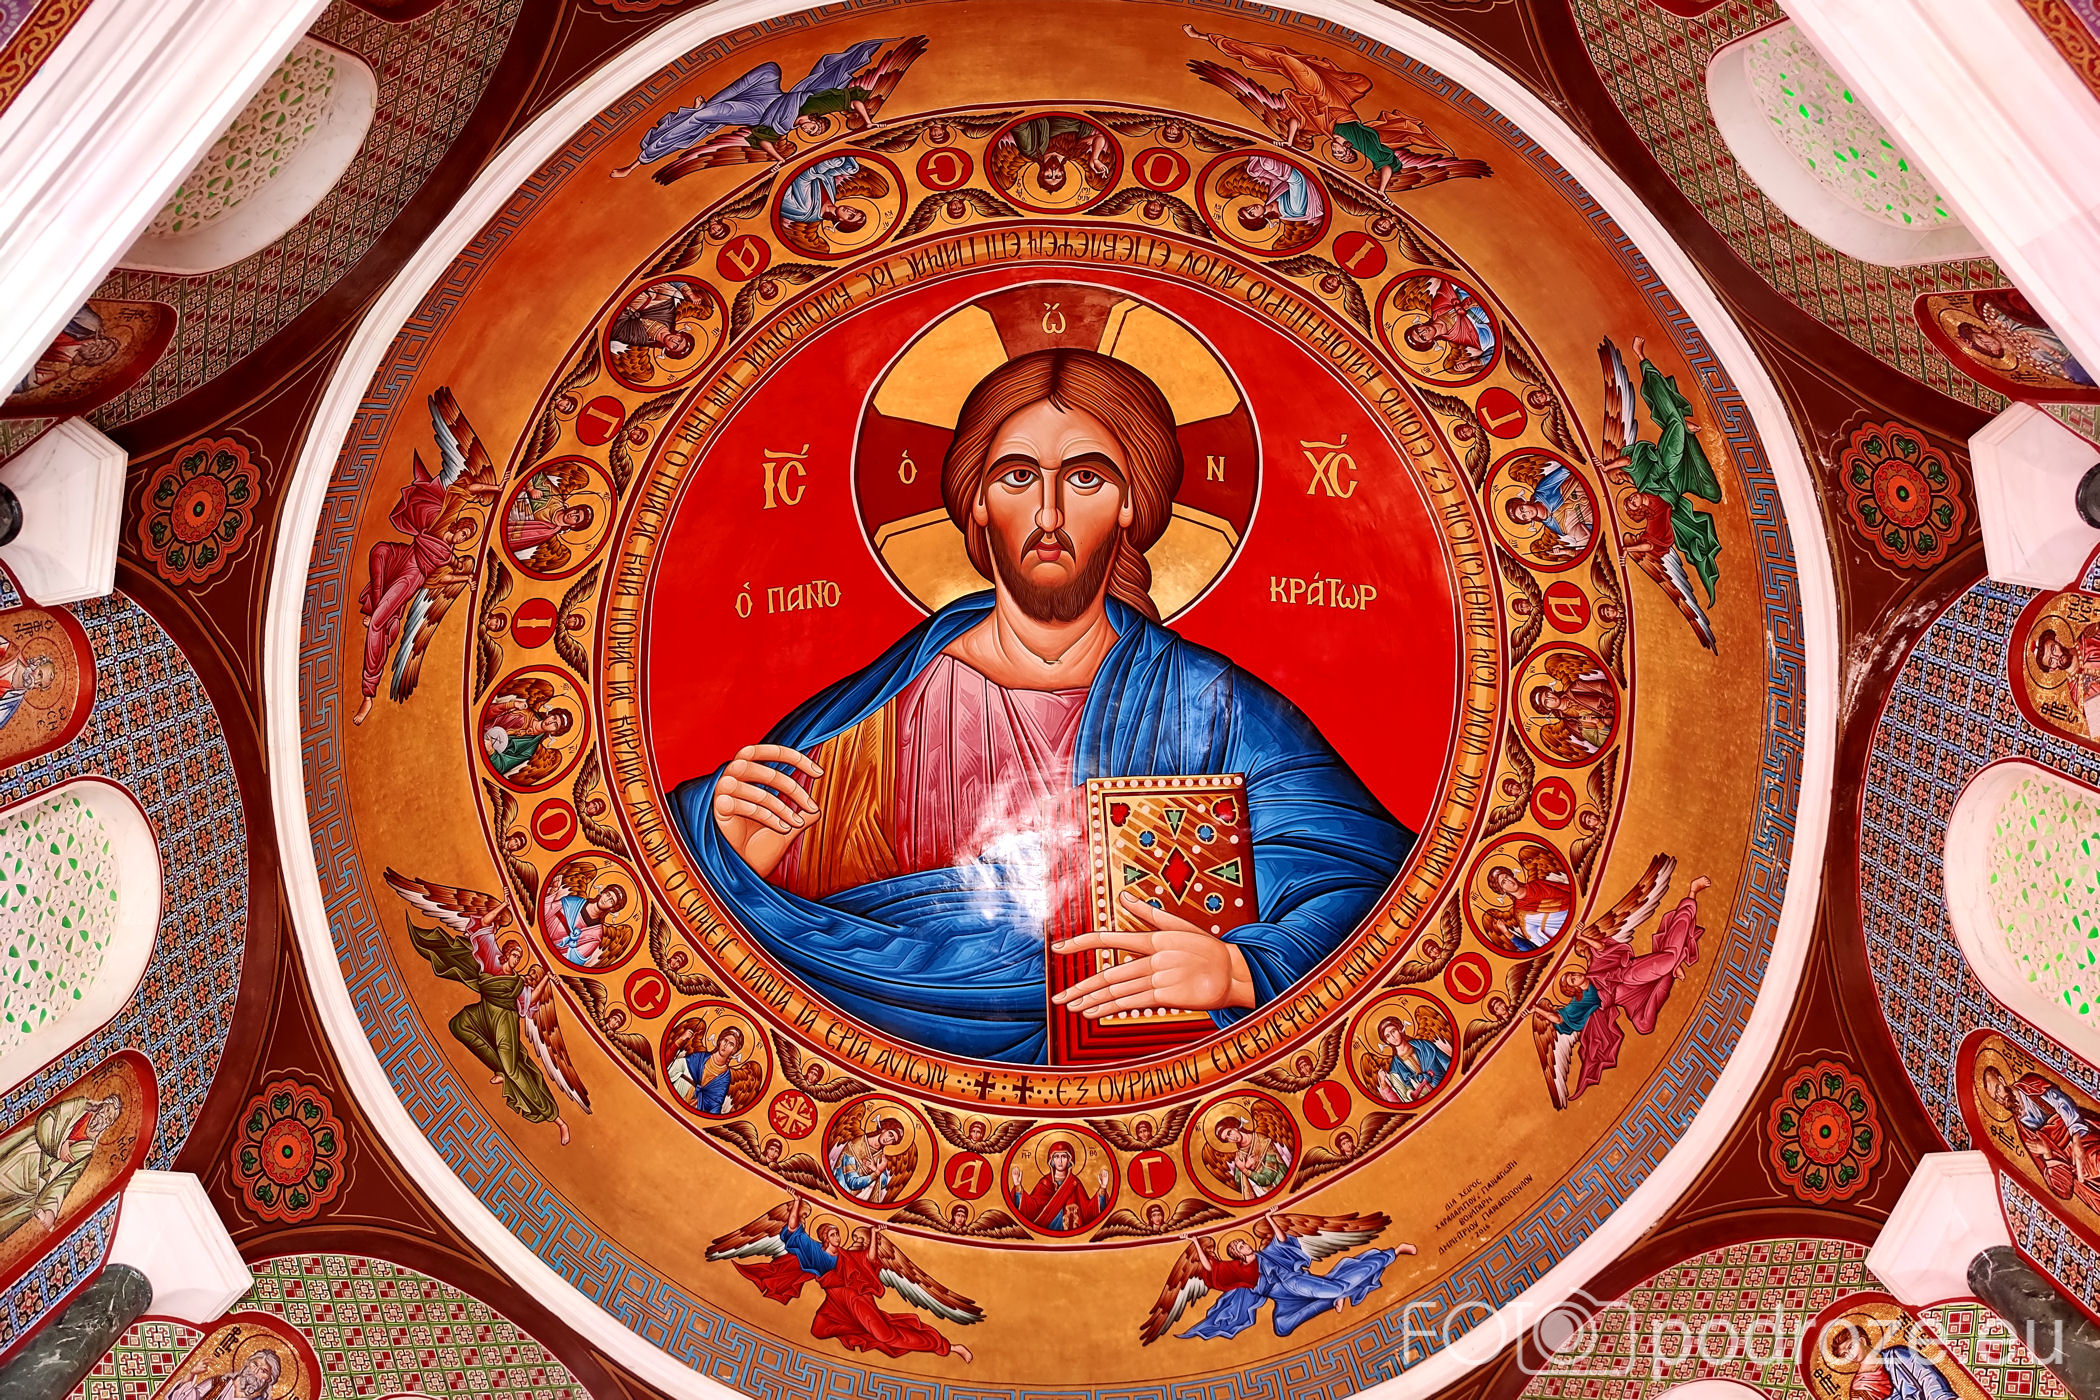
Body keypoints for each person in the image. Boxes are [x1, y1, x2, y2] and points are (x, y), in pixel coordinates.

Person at [673, 349, 1412, 1064]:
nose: (1049, 513)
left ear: (1130, 503)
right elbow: (730, 887)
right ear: (978, 502)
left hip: (1142, 1082)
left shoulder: (1210, 704)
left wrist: (1239, 971)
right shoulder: (875, 717)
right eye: (1018, 476)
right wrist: (723, 850)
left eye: (1086, 477)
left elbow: (1366, 877)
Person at [612, 40, 896, 176]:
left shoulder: (780, 127)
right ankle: (709, 104)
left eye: (812, 132)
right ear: (817, 120)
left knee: (703, 117)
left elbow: (764, 141)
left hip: (757, 111)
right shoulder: (820, 103)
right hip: (772, 93)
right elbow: (855, 99)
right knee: (770, 68)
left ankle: (642, 159)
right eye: (817, 127)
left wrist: (779, 159)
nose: (812, 129)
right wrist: (868, 122)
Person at [1544, 876, 1709, 1103]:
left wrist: (1583, 938)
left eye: (1572, 974)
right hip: (1628, 999)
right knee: (1643, 1025)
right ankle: (1671, 970)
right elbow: (1561, 1019)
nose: (1574, 976)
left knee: (1669, 958)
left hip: (1629, 974)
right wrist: (1537, 1011)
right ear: (1572, 989)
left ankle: (1691, 896)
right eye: (1571, 980)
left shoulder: (1595, 969)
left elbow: (1601, 948)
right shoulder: (1583, 1002)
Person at [352, 460, 484, 726]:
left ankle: (368, 691)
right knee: (379, 550)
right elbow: (463, 491)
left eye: (468, 537)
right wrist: (496, 488)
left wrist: (465, 577)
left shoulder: (450, 559)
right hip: (401, 556)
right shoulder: (442, 523)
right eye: (465, 531)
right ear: (458, 526)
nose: (464, 537)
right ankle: (381, 609)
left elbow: (441, 579)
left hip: (412, 577)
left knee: (377, 623)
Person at [1179, 1213, 1399, 1340]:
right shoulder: (1235, 1269)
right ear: (1236, 1254)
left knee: (1338, 1287)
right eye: (1239, 1246)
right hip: (1280, 1297)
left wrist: (1270, 1219)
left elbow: (1282, 1241)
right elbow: (1210, 1268)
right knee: (1282, 1327)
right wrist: (1196, 1243)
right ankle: (1334, 1299)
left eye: (1243, 1242)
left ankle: (1391, 1254)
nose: (1244, 1245)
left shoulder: (1266, 1254)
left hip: (1292, 1282)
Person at [0, 1094, 120, 1243]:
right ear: (101, 1105)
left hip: (34, 1186)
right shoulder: (79, 1106)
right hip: (27, 1155)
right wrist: (59, 1147)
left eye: (109, 1119)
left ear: (108, 1126)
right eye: (107, 1110)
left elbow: (65, 1181)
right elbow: (47, 1118)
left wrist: (50, 1210)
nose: (104, 1117)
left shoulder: (86, 1151)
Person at [1983, 1064, 2100, 1207]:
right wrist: (2047, 1153)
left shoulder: (2030, 1084)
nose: (2000, 1098)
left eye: (1998, 1089)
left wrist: (2076, 1141)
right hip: (2069, 1163)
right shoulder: (2023, 1130)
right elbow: (2060, 1188)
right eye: (1995, 1098)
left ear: (2002, 1080)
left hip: (2082, 1138)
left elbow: (2063, 1103)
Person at [1009, 1139, 1111, 1231]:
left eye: (1064, 1156)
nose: (1060, 1161)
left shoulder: (1075, 1183)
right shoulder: (1045, 1182)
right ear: (1052, 1160)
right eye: (1056, 1156)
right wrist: (1018, 1186)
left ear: (1070, 1160)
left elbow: (1088, 1211)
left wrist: (1102, 1188)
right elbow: (1031, 1208)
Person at [1401, 277, 1495, 376]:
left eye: (1418, 330)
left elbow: (1451, 281)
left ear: (1419, 325)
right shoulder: (1467, 338)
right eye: (1423, 337)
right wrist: (1471, 364)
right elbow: (1493, 344)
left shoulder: (1438, 305)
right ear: (1429, 341)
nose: (1423, 332)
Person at [1483, 851, 1575, 952]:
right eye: (1503, 882)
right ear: (1502, 890)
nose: (1509, 881)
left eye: (1507, 877)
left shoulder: (1537, 884)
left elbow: (1570, 890)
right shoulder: (1521, 914)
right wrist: (1507, 933)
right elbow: (1535, 944)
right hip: (1568, 937)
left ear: (1512, 875)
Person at [2031, 624, 2100, 735]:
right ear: (2052, 669)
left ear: (2058, 641)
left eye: (2053, 649)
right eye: (2051, 661)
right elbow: (2098, 722)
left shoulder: (2088, 638)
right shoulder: (2077, 694)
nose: (2056, 657)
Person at [668, 1023, 749, 1115]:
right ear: (720, 1040)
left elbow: (715, 1103)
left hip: (694, 1111)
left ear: (734, 1050)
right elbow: (672, 1068)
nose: (725, 1045)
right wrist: (680, 1040)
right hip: (676, 1096)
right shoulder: (700, 1058)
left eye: (731, 1044)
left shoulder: (724, 1077)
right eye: (725, 1040)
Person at [1370, 1015, 1449, 1104]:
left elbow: (1447, 1064)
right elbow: (1402, 1097)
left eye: (1393, 1031)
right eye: (1388, 1036)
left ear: (1400, 1030)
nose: (1393, 1037)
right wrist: (1383, 1083)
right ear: (1386, 1041)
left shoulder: (1425, 1046)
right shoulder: (1395, 1069)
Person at [830, 1118, 907, 1202]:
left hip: (856, 1200)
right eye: (890, 1134)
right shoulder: (855, 1145)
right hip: (838, 1195)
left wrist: (875, 1169)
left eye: (893, 1140)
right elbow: (852, 1183)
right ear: (884, 1129)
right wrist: (877, 1172)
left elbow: (883, 1183)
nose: (888, 1140)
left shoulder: (880, 1156)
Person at [1213, 1116, 1290, 1198]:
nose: (1232, 1138)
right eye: (1227, 1139)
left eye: (1229, 1132)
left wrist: (1244, 1170)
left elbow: (1268, 1178)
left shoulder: (1263, 1141)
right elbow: (1240, 1184)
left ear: (1235, 1127)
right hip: (1264, 1197)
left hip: (1283, 1189)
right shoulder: (1240, 1155)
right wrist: (1246, 1167)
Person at [167, 1347, 284, 1400]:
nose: (255, 1371)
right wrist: (191, 1373)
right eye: (255, 1364)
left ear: (269, 1379)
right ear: (248, 1363)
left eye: (263, 1371)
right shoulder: (218, 1383)